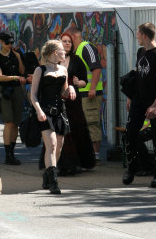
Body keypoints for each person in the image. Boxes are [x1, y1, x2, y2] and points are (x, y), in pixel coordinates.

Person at [123, 22, 156, 188]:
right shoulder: (140, 52)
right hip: (138, 101)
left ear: (144, 34)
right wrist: (130, 96)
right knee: (129, 134)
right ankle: (132, 166)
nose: (136, 36)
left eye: (137, 33)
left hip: (155, 102)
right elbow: (138, 76)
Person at [30, 39, 76, 194]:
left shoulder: (64, 70)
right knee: (52, 145)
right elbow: (33, 95)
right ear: (55, 52)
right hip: (45, 111)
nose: (65, 51)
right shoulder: (40, 70)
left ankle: (47, 174)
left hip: (60, 112)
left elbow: (63, 94)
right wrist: (39, 111)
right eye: (62, 49)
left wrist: (70, 88)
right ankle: (54, 183)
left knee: (59, 148)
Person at [57, 32, 96, 174]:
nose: (67, 43)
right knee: (61, 131)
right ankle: (63, 163)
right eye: (64, 41)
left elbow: (84, 81)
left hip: (73, 101)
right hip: (58, 100)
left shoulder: (77, 60)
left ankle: (79, 161)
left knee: (77, 129)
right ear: (59, 44)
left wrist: (78, 83)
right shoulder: (54, 61)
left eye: (69, 41)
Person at [67, 28, 104, 163]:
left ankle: (96, 155)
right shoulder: (75, 51)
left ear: (75, 36)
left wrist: (92, 88)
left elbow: (97, 68)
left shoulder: (86, 47)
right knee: (81, 124)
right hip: (79, 94)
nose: (66, 42)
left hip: (90, 94)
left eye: (68, 39)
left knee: (92, 122)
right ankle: (86, 155)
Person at [0, 31, 27, 165]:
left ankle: (12, 152)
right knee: (9, 122)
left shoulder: (15, 54)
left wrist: (18, 57)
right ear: (1, 42)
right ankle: (7, 154)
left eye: (12, 42)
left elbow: (22, 71)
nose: (10, 45)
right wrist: (14, 77)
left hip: (17, 90)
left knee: (16, 122)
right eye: (7, 43)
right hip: (5, 90)